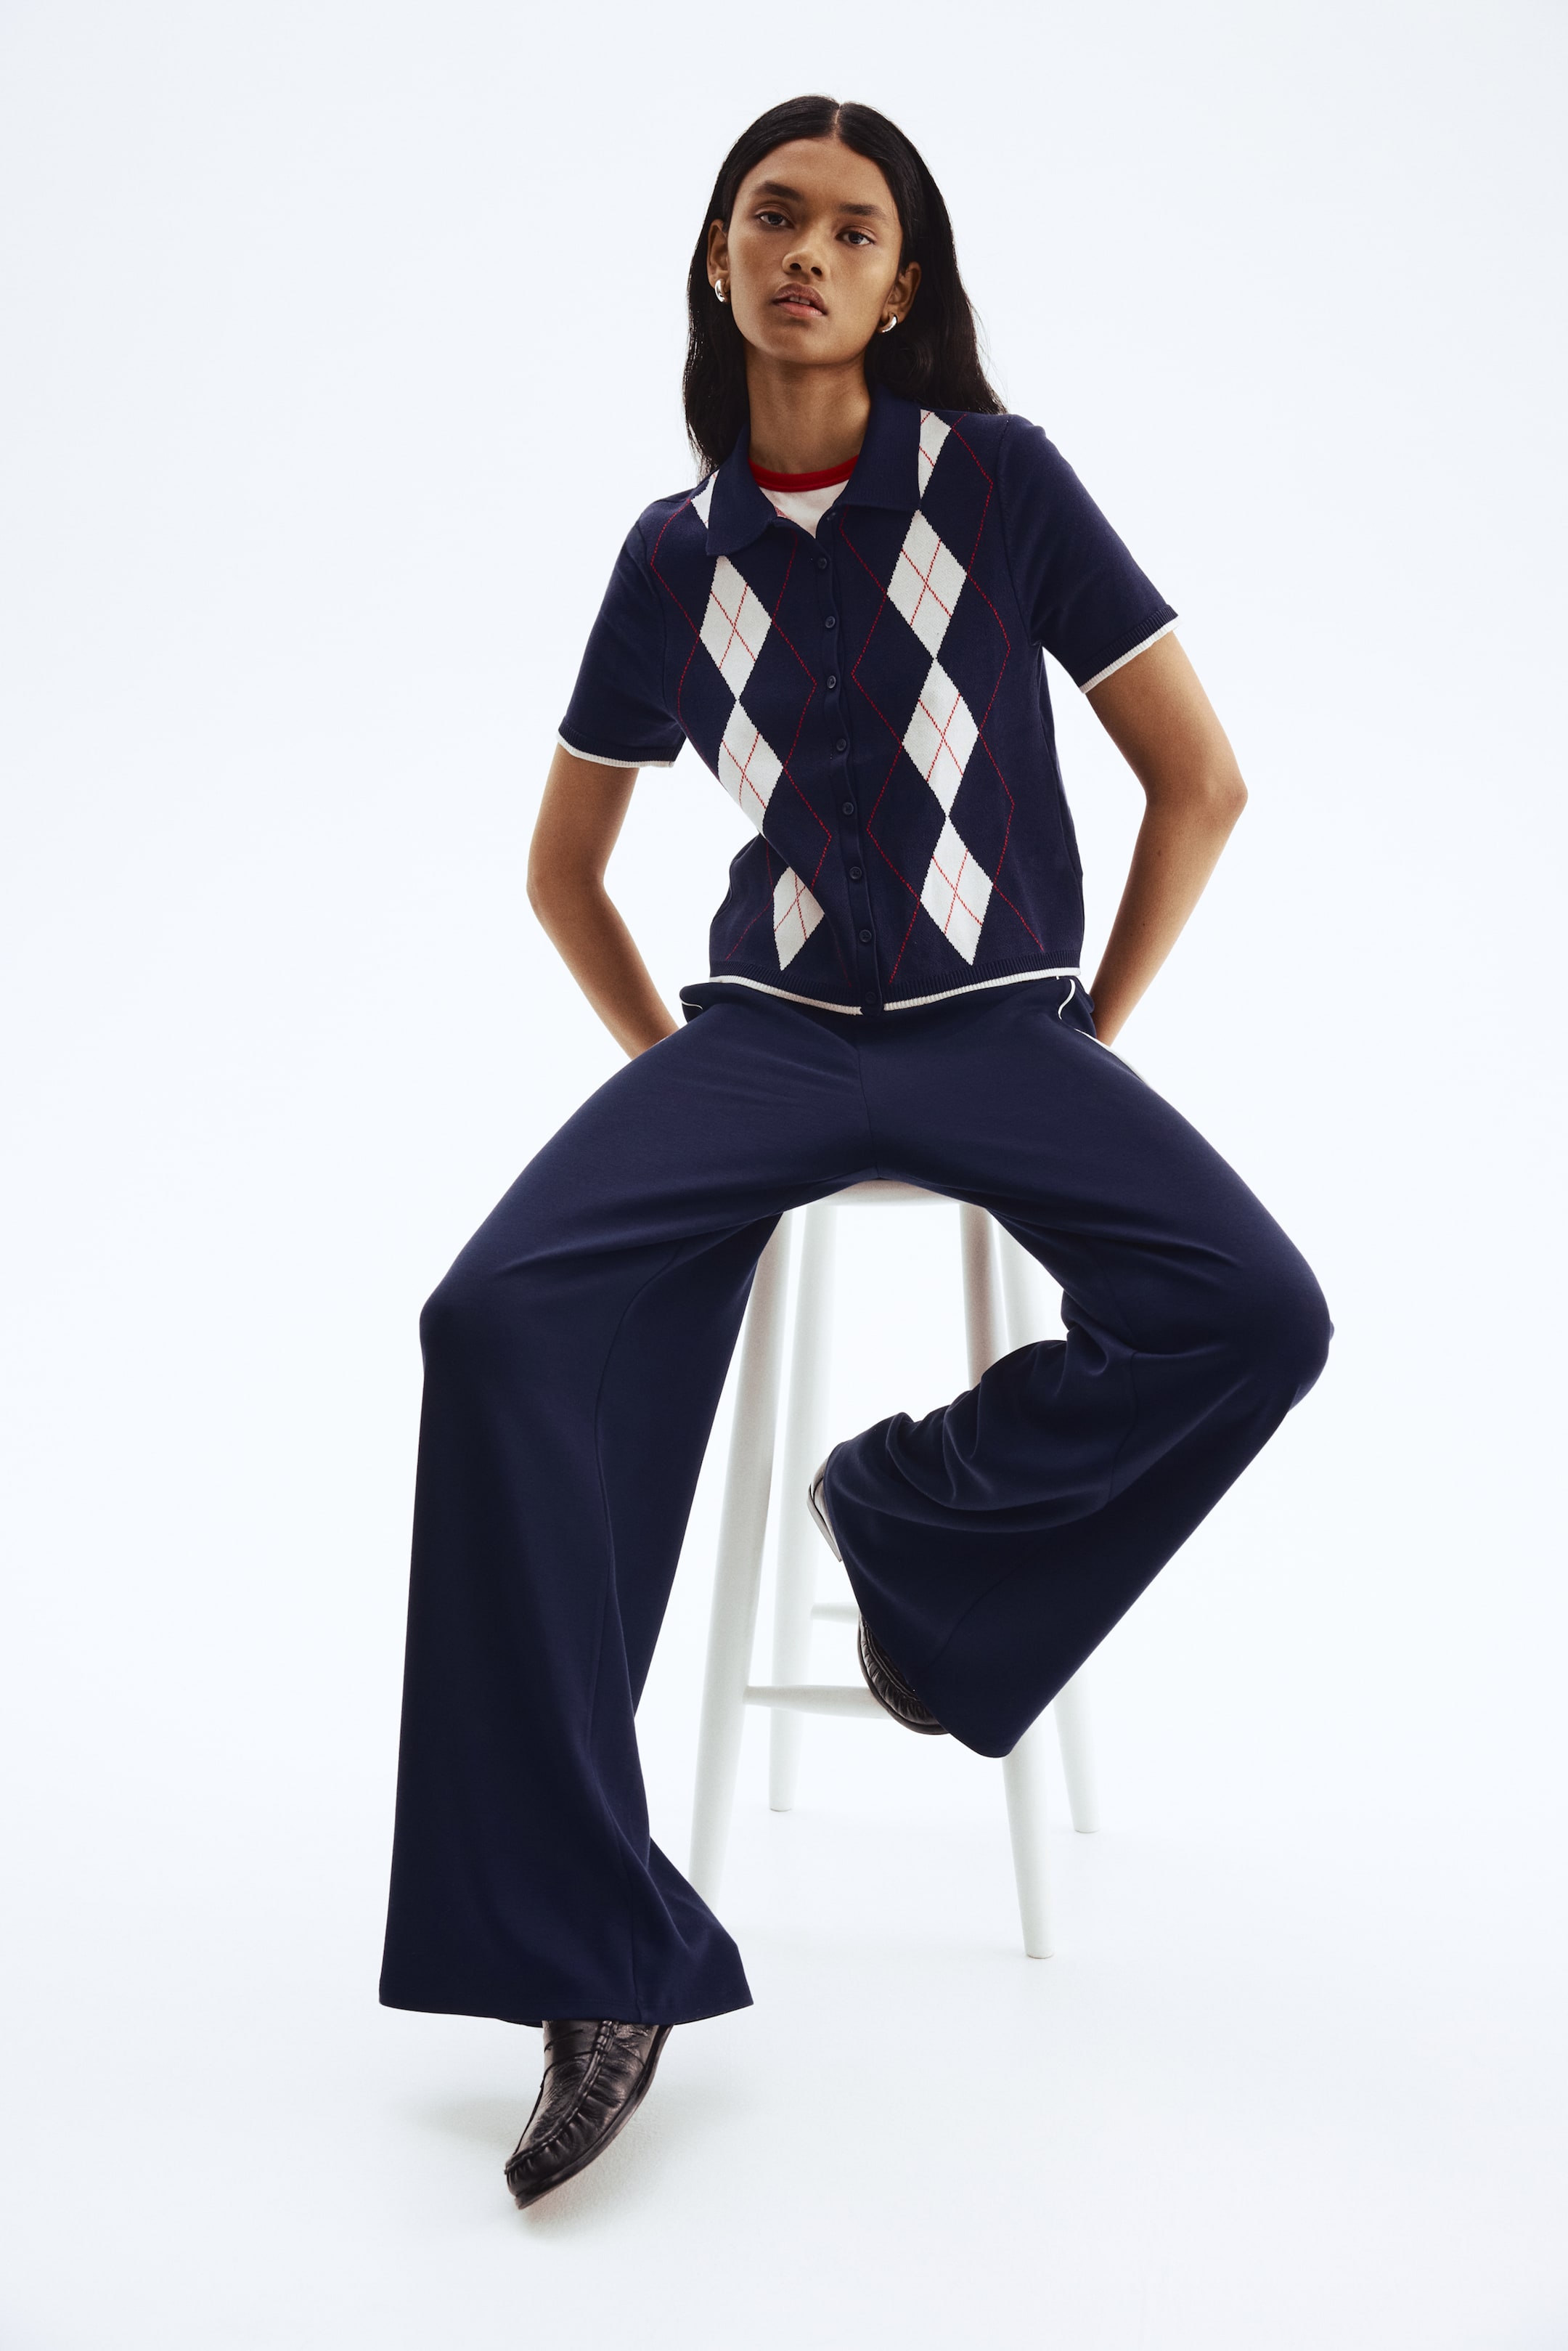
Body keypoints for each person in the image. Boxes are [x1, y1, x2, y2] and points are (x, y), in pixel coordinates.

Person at [378, 94, 1331, 2211]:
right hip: (769, 1038)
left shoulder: (996, 482)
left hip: (1002, 1024)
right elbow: (564, 871)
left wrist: (1087, 1032)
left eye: (851, 228)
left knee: (1260, 1313)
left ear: (905, 286)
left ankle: (911, 1525)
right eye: (772, 216)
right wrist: (681, 1091)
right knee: (494, 1316)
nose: (805, 252)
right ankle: (593, 1955)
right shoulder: (672, 557)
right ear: (720, 258)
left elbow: (1199, 780)